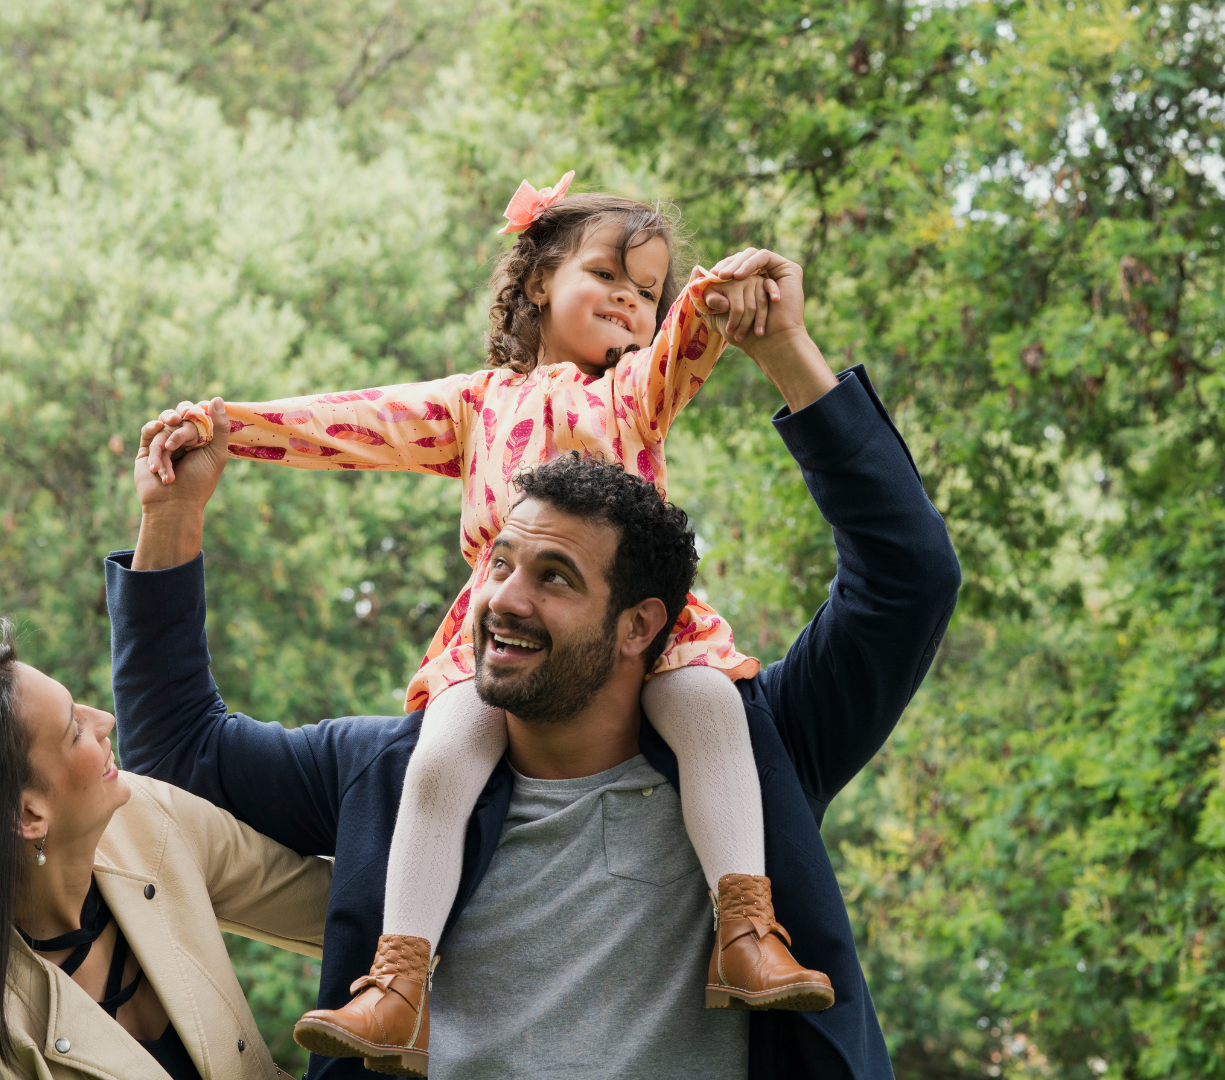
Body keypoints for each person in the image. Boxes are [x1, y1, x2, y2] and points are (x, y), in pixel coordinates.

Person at [111, 248, 959, 1080]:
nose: (504, 600)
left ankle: (746, 935)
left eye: (555, 577)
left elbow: (908, 577)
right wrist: (174, 518)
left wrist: (779, 346)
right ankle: (396, 989)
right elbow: (179, 761)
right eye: (500, 564)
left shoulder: (759, 750)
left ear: (640, 626)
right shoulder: (393, 777)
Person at [0, 634, 332, 1080]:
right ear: (28, 815)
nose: (103, 719)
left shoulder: (146, 818)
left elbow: (333, 906)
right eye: (73, 729)